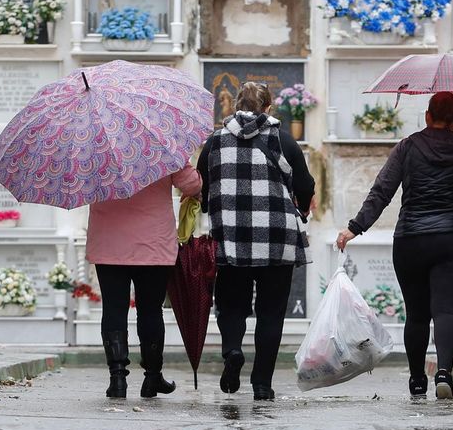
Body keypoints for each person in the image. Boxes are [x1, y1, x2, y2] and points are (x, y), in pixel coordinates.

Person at [337, 91, 453, 400]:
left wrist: (355, 227)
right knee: (447, 311)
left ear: (427, 115)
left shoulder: (407, 147)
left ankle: (416, 378)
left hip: (411, 240)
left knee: (418, 314)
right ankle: (445, 373)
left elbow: (382, 191)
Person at [198, 81, 316, 401]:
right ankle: (262, 383)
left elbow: (202, 186)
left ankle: (233, 350)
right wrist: (302, 207)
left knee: (231, 306)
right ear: (268, 108)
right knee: (271, 312)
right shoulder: (284, 140)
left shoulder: (215, 141)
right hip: (277, 238)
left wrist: (214, 209)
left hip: (230, 237)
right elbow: (305, 184)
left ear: (235, 106)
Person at [87, 164, 203, 399]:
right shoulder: (161, 144)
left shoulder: (94, 149)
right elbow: (192, 184)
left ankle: (117, 378)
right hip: (153, 243)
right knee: (150, 311)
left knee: (113, 309)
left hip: (109, 242)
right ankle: (152, 377)